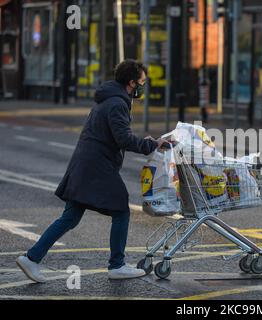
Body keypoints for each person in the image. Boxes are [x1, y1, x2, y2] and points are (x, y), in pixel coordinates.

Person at [16, 60, 169, 282]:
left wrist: (146, 142)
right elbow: (123, 139)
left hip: (87, 164)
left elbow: (116, 135)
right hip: (97, 166)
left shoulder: (110, 98)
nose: (142, 87)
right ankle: (116, 265)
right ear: (131, 82)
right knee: (120, 209)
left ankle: (31, 258)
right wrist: (152, 145)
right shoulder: (117, 103)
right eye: (142, 82)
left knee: (70, 216)